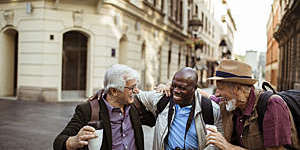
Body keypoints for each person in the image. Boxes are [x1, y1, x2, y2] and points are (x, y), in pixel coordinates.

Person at [206, 59, 300, 150]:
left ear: (238, 89)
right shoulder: (234, 104)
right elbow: (214, 99)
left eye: (220, 88)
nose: (217, 93)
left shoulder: (272, 106)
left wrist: (228, 147)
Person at [53, 64, 144, 150]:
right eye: (131, 88)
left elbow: (155, 114)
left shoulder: (135, 106)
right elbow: (58, 142)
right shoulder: (88, 110)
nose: (136, 91)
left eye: (136, 86)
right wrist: (73, 141)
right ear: (114, 91)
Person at [136, 67, 223, 150]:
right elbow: (135, 96)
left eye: (182, 88)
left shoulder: (211, 108)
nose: (176, 91)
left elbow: (219, 142)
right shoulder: (162, 98)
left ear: (194, 89)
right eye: (174, 85)